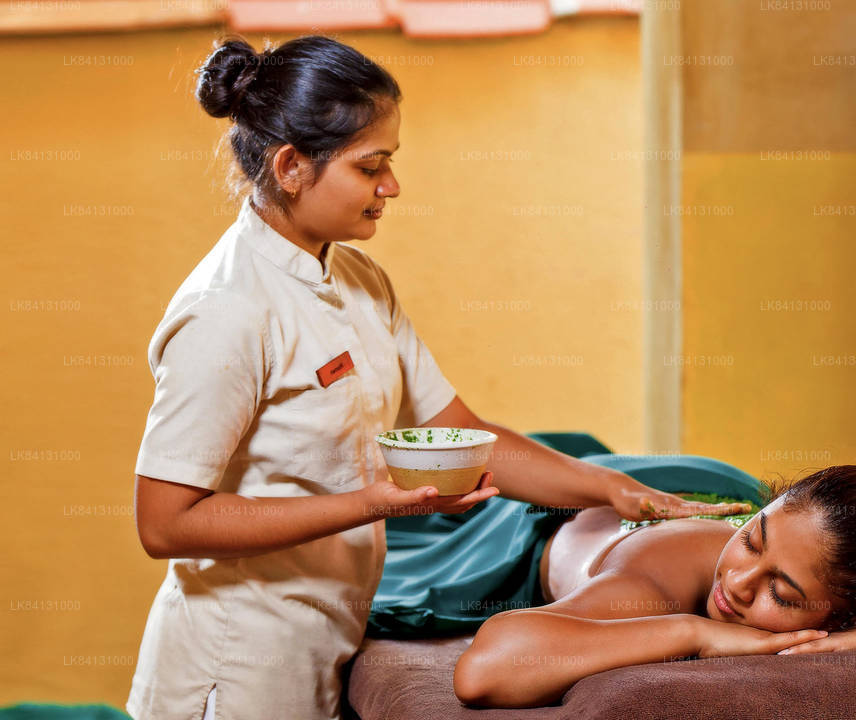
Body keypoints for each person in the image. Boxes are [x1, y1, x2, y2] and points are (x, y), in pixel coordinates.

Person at [127, 34, 748, 720]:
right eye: (371, 167)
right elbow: (166, 523)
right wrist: (373, 503)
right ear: (291, 166)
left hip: (324, 641)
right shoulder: (225, 310)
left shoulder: (359, 279)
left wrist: (613, 490)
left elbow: (462, 432)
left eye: (389, 162)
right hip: (235, 664)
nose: (391, 186)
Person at [454, 463, 856, 708]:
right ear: (762, 513)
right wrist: (694, 632)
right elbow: (487, 670)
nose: (738, 583)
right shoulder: (659, 576)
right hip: (538, 525)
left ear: (851, 613)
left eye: (784, 593)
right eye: (752, 540)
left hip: (745, 506)